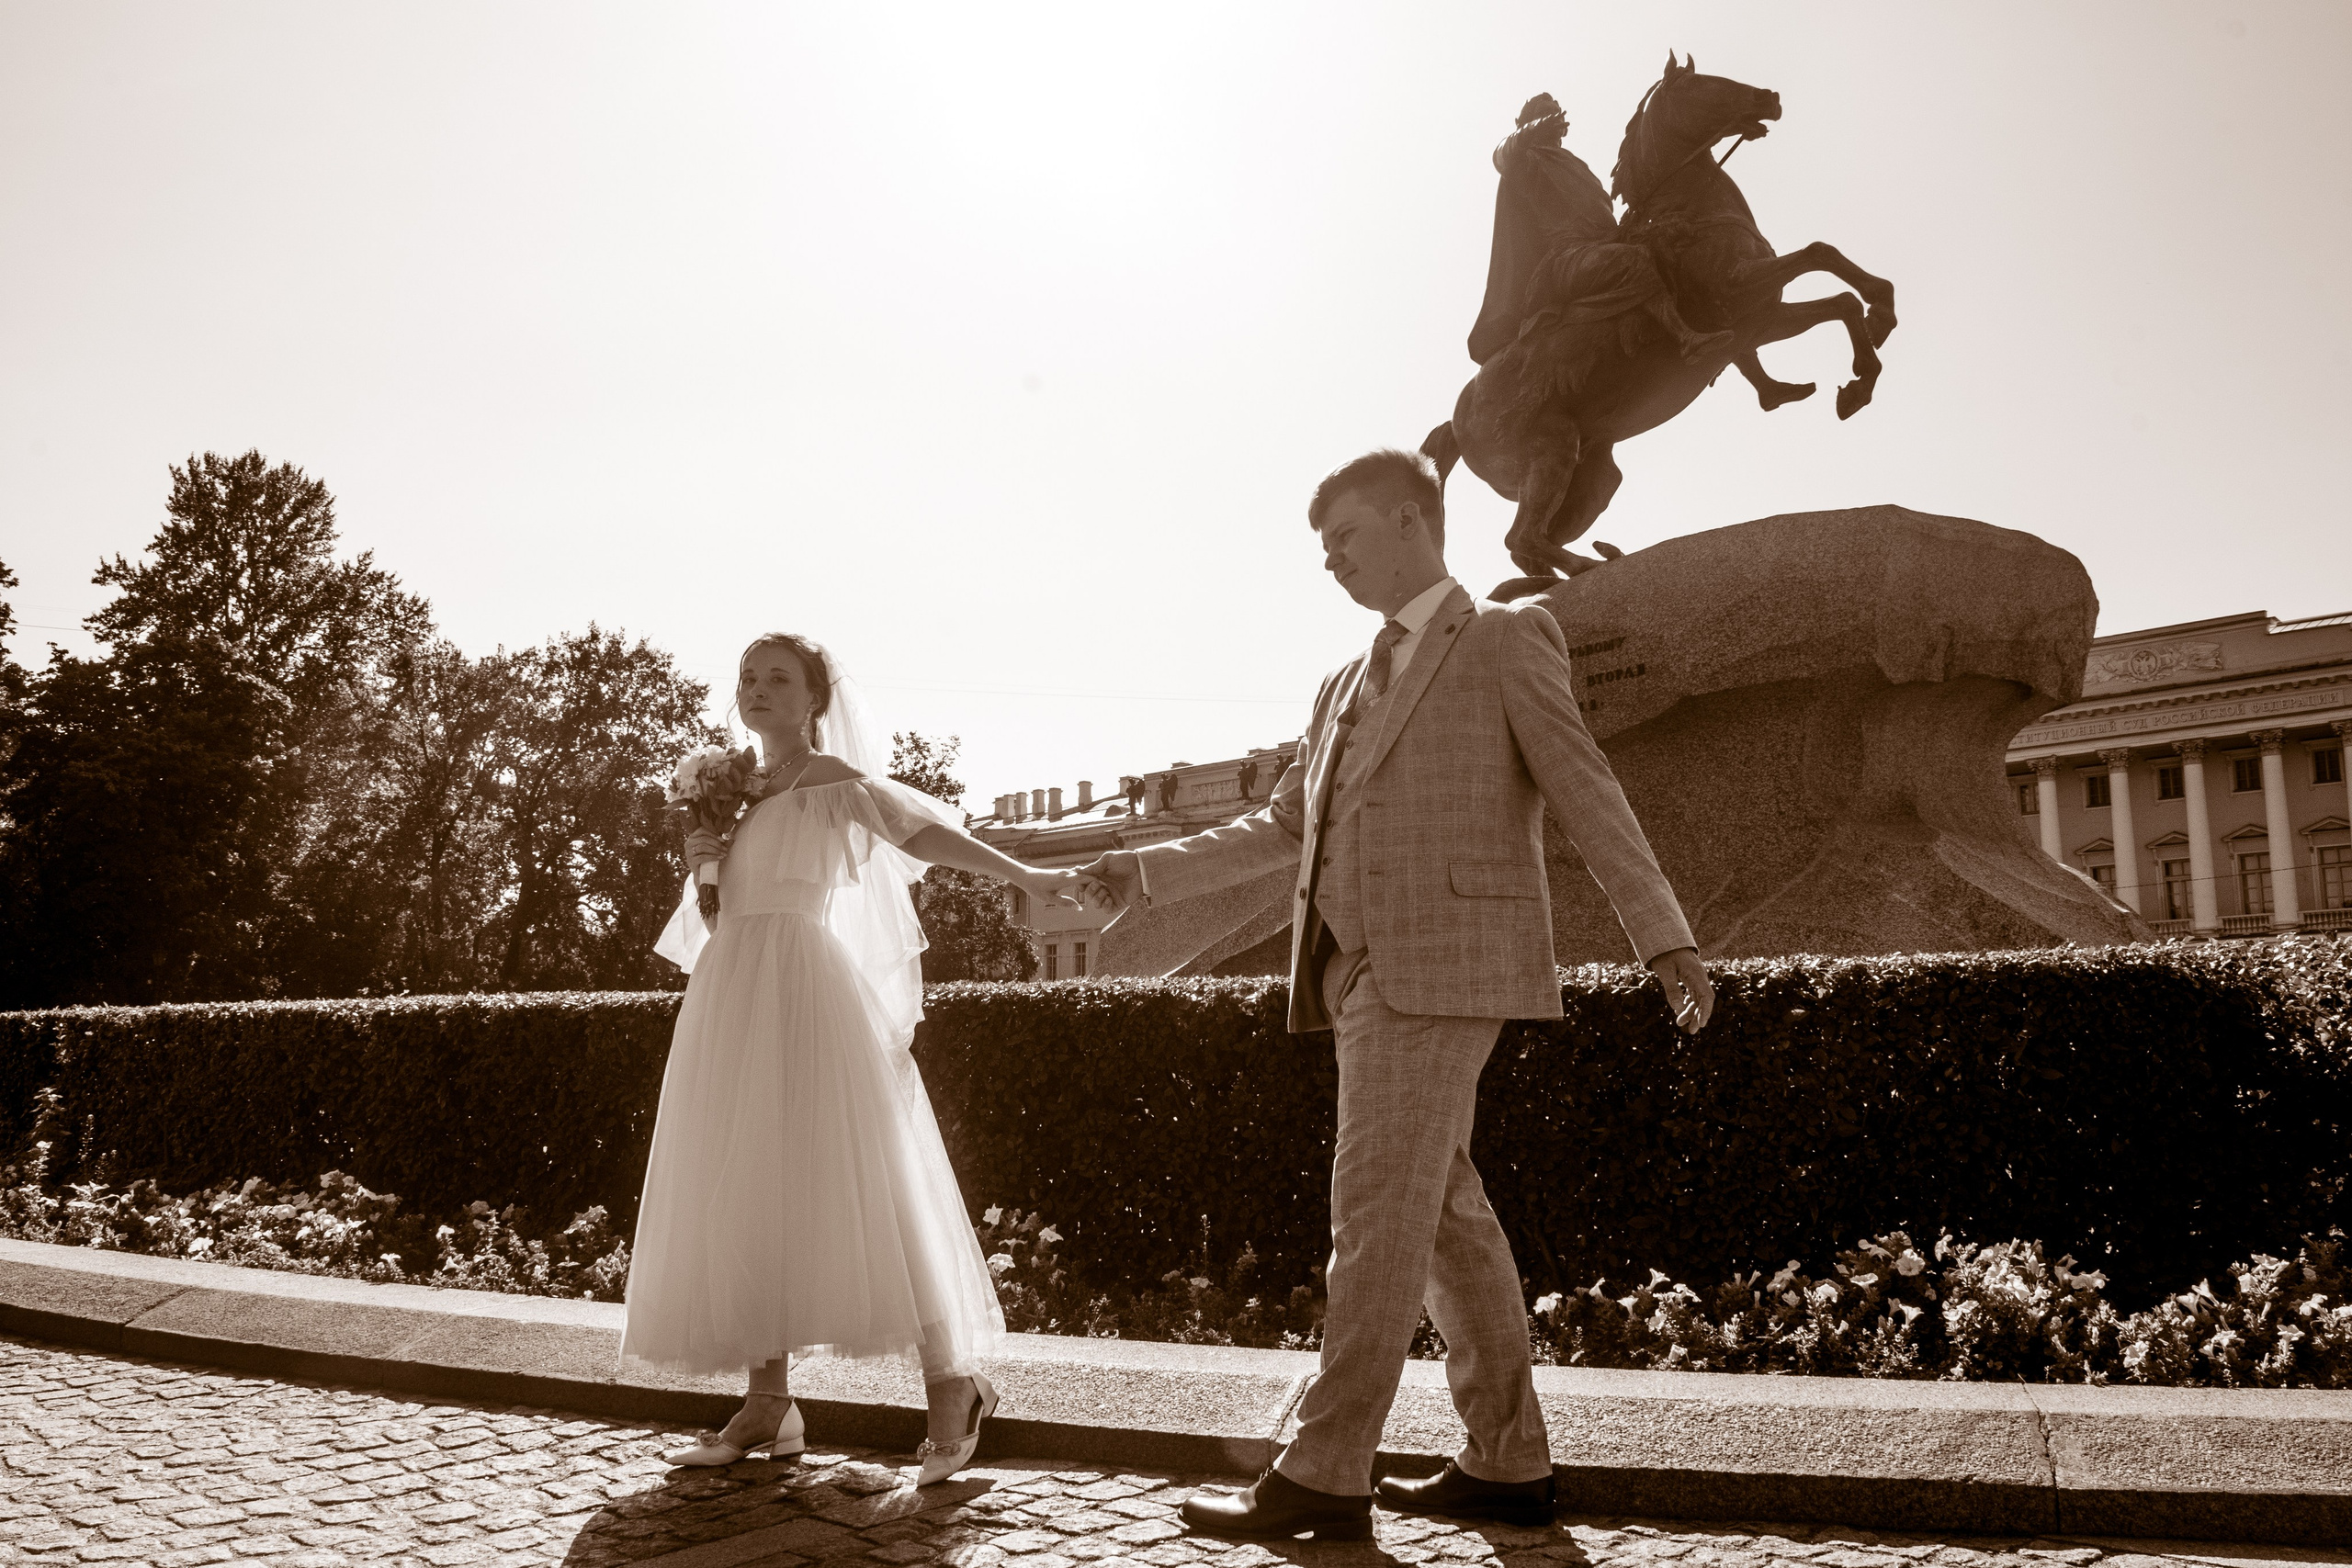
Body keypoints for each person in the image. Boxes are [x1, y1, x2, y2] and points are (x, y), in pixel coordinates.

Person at [1074, 450, 1712, 1539]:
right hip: (1354, 969)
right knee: (1443, 1215)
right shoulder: (1337, 684)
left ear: (1413, 520)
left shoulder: (1509, 637)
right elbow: (1283, 827)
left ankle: (1325, 1470)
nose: (1330, 562)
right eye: (1321, 548)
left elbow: (1583, 784)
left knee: (1373, 1212)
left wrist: (1665, 938)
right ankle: (1508, 1463)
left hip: (1447, 963)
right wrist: (1147, 865)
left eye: (1346, 538)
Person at [628, 632, 1084, 1483]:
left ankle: (954, 1387)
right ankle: (769, 1401)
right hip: (730, 991)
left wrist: (1024, 873)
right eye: (748, 678)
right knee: (750, 1182)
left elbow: (922, 832)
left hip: (803, 986)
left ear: (815, 701)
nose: (759, 689)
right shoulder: (725, 789)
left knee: (873, 1179)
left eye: (780, 679)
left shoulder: (830, 783)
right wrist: (701, 856)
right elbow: (718, 910)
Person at [1469, 93, 1726, 367]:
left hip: (1601, 243)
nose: (1557, 119)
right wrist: (1534, 128)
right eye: (1546, 113)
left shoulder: (1572, 163)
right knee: (1633, 260)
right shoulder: (1525, 162)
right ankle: (1685, 338)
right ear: (1526, 122)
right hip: (1567, 257)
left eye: (1557, 114)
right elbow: (1502, 155)